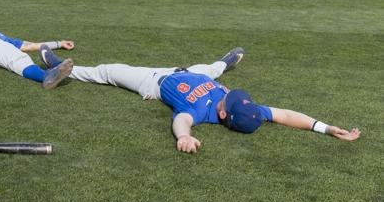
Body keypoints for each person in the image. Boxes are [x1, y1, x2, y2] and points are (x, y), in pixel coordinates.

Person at [39, 46, 361, 153]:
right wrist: (325, 127)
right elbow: (284, 115)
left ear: (223, 117)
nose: (233, 97)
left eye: (228, 103)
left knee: (109, 71)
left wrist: (185, 136)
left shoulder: (199, 111)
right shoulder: (246, 109)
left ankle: (61, 67)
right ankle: (226, 61)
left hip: (154, 81)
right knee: (210, 70)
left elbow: (181, 120)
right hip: (190, 72)